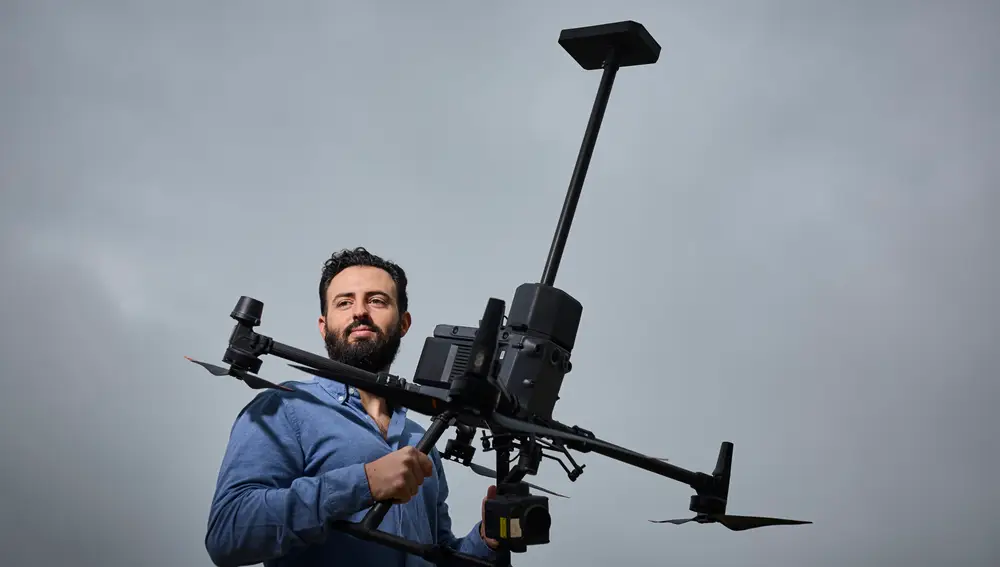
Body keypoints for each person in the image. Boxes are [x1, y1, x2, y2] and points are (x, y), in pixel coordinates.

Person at [204, 247, 499, 567]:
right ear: (323, 324)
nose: (360, 311)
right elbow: (228, 534)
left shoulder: (421, 438)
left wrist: (487, 540)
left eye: (377, 300)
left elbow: (437, 553)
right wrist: (363, 483)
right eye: (344, 302)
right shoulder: (282, 409)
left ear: (403, 323)